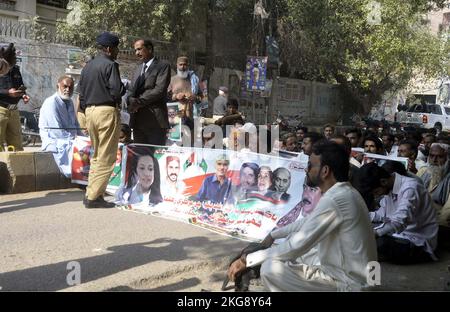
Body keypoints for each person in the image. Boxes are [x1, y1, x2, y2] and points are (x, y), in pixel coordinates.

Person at [227, 142, 377, 291]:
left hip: (353, 284)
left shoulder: (336, 198)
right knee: (293, 250)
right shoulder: (344, 192)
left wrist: (249, 260)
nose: (306, 169)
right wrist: (273, 235)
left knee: (270, 268)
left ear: (325, 171)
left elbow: (297, 245)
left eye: (311, 165)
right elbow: (307, 223)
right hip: (363, 277)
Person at [358, 162, 438, 264]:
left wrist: (374, 233)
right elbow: (381, 214)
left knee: (377, 242)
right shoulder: (389, 187)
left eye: (376, 192)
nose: (376, 196)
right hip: (398, 235)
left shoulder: (410, 188)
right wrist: (360, 217)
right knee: (360, 230)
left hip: (417, 242)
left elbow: (399, 222)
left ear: (383, 181)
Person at [78, 31, 123, 209]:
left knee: (96, 155)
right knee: (106, 156)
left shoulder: (87, 66)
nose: (118, 51)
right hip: (106, 111)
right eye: (117, 48)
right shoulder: (111, 65)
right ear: (109, 49)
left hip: (90, 112)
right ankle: (94, 197)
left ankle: (91, 192)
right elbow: (117, 91)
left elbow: (81, 95)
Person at [128, 39, 171, 146]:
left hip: (155, 121)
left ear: (150, 49)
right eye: (135, 50)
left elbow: (159, 90)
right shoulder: (137, 69)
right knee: (139, 155)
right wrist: (130, 101)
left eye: (139, 49)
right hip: (138, 121)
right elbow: (131, 90)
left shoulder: (163, 66)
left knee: (155, 157)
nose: (137, 53)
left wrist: (138, 102)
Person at [39, 75, 82, 177]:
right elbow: (56, 130)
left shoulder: (70, 102)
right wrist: (74, 139)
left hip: (70, 138)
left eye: (70, 87)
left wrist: (83, 138)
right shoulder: (51, 102)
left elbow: (75, 125)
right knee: (76, 150)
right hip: (55, 139)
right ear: (58, 86)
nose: (67, 90)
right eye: (65, 87)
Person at [0, 43, 30, 151]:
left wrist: (24, 95)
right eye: (11, 54)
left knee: (17, 146)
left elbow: (20, 85)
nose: (14, 57)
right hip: (1, 109)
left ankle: (15, 167)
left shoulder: (16, 69)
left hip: (14, 111)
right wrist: (8, 92)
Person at [167, 56, 203, 121]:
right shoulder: (171, 80)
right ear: (177, 65)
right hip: (175, 117)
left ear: (188, 65)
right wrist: (176, 96)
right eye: (180, 65)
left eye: (185, 65)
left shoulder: (195, 79)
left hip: (191, 115)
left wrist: (194, 97)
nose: (182, 67)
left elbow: (203, 98)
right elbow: (165, 97)